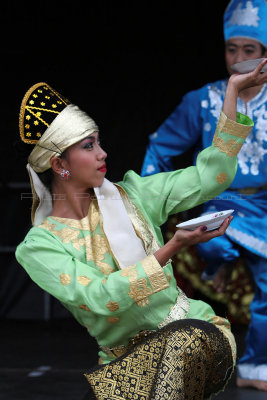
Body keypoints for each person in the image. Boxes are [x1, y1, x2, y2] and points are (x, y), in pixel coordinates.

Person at [15, 62, 267, 399]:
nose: (103, 153)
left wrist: (233, 91)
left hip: (196, 335)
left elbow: (211, 178)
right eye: (88, 146)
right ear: (60, 165)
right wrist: (172, 246)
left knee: (179, 347)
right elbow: (100, 298)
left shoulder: (134, 195)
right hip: (127, 366)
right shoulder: (39, 246)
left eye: (99, 142)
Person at [141, 0, 267, 392]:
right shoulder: (202, 99)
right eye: (233, 49)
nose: (239, 58)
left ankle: (256, 365)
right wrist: (149, 201)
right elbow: (161, 147)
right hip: (221, 202)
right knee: (214, 245)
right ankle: (217, 269)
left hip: (264, 206)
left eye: (250, 50)